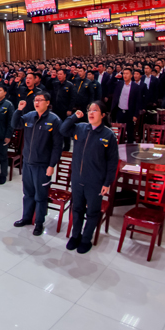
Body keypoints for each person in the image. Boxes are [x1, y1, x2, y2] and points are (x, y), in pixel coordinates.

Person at [60, 102, 119, 254]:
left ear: (103, 115)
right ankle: (75, 236)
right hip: (77, 179)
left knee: (92, 212)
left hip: (95, 181)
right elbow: (63, 129)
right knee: (77, 209)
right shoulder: (80, 128)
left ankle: (86, 239)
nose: (91, 113)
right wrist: (74, 117)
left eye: (95, 110)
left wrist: (107, 183)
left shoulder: (108, 135)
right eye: (89, 110)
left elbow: (112, 162)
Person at [11, 92, 62, 236]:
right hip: (28, 162)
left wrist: (52, 165)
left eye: (40, 100)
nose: (37, 102)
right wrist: (19, 110)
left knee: (40, 196)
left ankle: (39, 223)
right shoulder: (29, 116)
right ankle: (26, 217)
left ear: (48, 102)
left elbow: (57, 146)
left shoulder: (54, 120)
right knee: (28, 193)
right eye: (35, 100)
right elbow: (15, 124)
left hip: (43, 165)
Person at [110, 67, 141, 143]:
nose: (125, 75)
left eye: (127, 74)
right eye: (124, 73)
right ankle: (120, 147)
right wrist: (115, 77)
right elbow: (109, 84)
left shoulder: (135, 87)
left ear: (131, 75)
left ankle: (129, 147)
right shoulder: (119, 84)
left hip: (130, 112)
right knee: (120, 132)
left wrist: (135, 115)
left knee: (130, 132)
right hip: (119, 111)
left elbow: (138, 102)